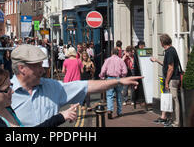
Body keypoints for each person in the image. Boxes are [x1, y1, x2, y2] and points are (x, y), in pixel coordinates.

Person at [10, 44, 142, 127]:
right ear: (22, 68)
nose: (42, 70)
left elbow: (86, 86)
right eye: (37, 66)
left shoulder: (52, 87)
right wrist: (61, 117)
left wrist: (118, 81)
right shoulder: (4, 94)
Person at [0, 66, 79, 127]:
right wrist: (61, 117)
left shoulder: (6, 109)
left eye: (11, 86)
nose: (12, 92)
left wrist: (62, 116)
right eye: (6, 90)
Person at [151, 34, 182, 127]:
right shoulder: (171, 50)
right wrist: (156, 60)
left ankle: (176, 123)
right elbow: (166, 65)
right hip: (172, 78)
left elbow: (170, 68)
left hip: (172, 79)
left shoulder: (169, 51)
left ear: (162, 43)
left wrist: (166, 82)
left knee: (174, 100)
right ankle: (171, 120)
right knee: (171, 100)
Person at [99, 48, 128, 119]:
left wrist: (102, 77)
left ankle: (109, 110)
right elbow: (125, 71)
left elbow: (103, 70)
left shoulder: (108, 60)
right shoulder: (121, 60)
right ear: (118, 53)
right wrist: (122, 76)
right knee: (119, 95)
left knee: (109, 95)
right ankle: (119, 112)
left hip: (109, 78)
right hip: (118, 79)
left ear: (112, 53)